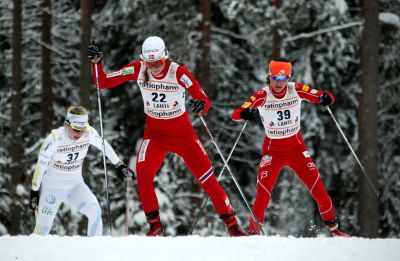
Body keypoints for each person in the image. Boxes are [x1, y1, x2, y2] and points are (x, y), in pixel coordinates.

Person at [88, 36, 248, 236]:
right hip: (155, 136)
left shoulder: (178, 72)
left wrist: (201, 105)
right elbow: (102, 82)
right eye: (149, 63)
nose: (154, 67)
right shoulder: (137, 69)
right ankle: (155, 227)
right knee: (143, 174)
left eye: (158, 62)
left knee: (207, 177)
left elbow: (203, 99)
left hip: (183, 136)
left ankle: (233, 226)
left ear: (166, 57)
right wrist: (97, 63)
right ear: (143, 60)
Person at [231, 58, 349, 237]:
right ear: (269, 77)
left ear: (288, 78)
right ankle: (253, 234)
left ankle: (335, 229)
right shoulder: (262, 95)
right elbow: (236, 114)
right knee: (262, 195)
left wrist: (326, 98)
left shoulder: (296, 89)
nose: (279, 83)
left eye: (283, 78)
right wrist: (245, 113)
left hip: (296, 149)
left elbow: (324, 96)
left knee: (318, 189)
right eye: (275, 79)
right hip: (272, 152)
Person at [29, 106, 134, 236]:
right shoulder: (54, 139)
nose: (79, 134)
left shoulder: (89, 132)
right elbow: (41, 166)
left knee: (95, 212)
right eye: (76, 130)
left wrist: (119, 165)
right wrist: (34, 191)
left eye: (82, 130)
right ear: (66, 124)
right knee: (42, 231)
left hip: (75, 186)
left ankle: (94, 252)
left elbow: (104, 145)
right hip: (53, 188)